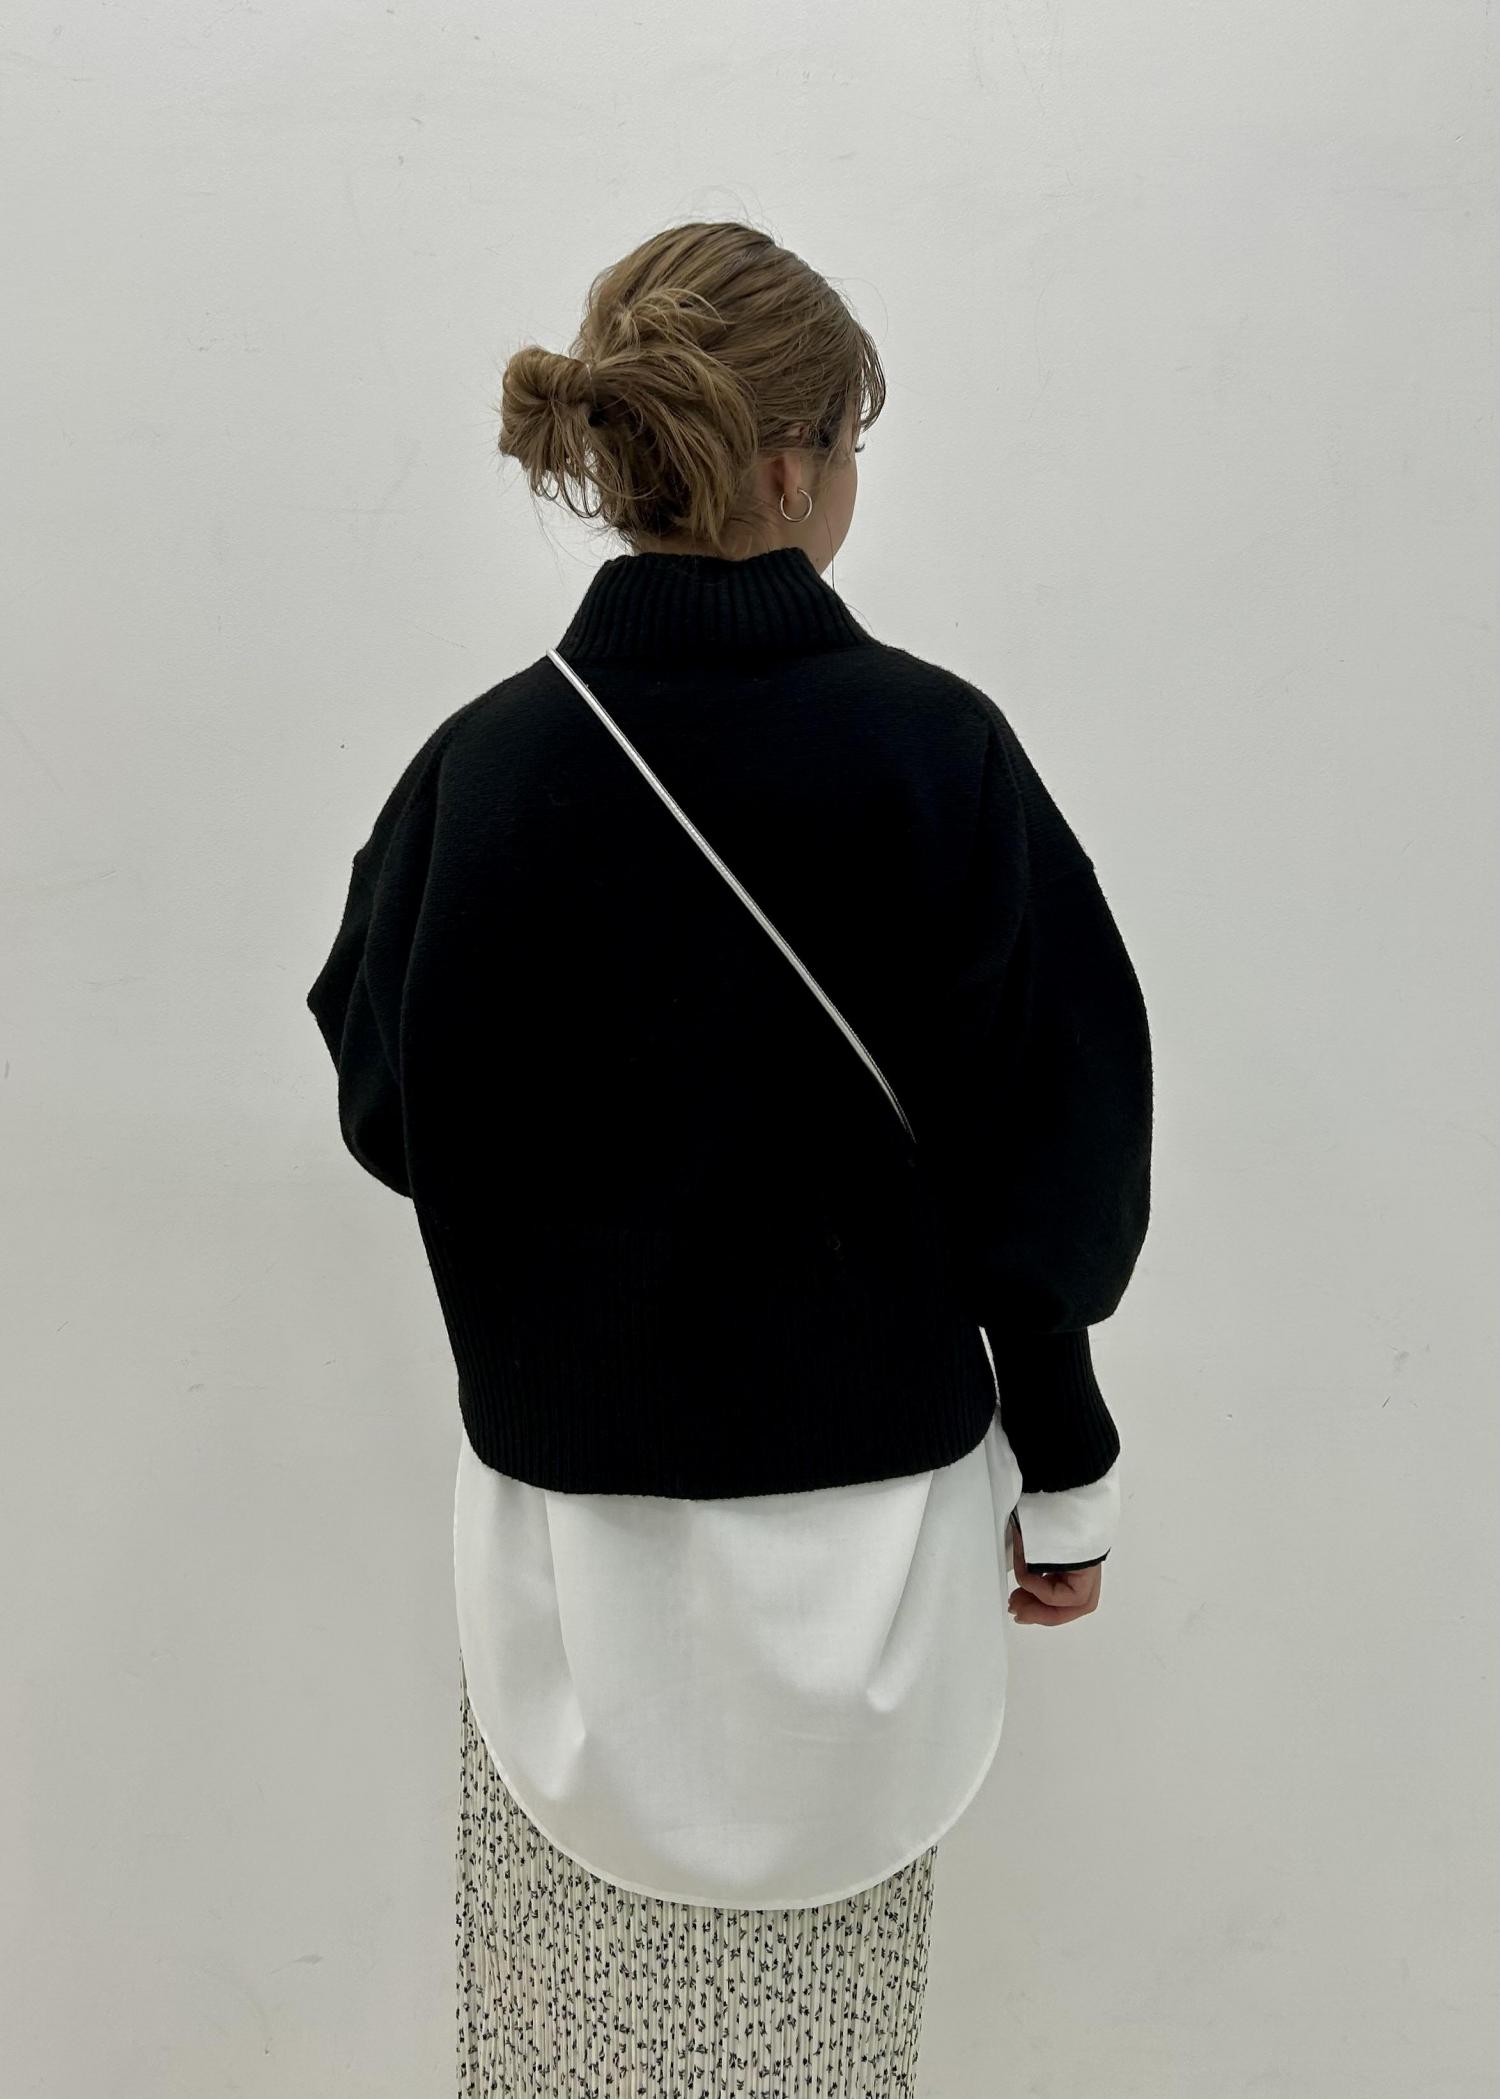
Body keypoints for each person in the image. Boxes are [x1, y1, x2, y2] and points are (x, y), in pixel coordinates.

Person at [306, 217, 1153, 2098]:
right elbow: (1049, 1164)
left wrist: (589, 1219)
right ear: (790, 467)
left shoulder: (479, 771)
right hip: (871, 1562)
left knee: (563, 2057)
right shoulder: (941, 758)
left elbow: (387, 1105)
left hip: (566, 1574)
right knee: (825, 2059)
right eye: (853, 440)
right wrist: (1070, 1472)